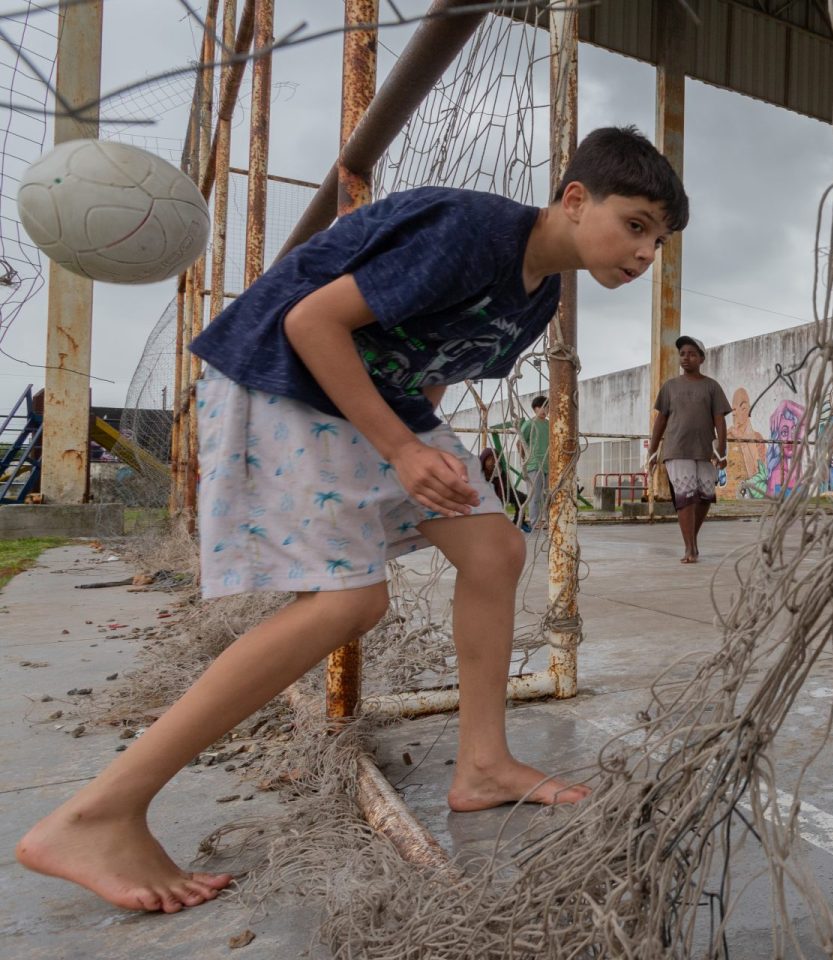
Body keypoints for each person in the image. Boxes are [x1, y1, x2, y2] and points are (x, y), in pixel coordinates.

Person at [15, 125, 690, 915]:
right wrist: (401, 451)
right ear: (575, 199)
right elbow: (309, 323)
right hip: (283, 379)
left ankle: (482, 765)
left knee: (494, 549)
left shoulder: (539, 295)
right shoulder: (474, 232)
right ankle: (99, 812)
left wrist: (424, 450)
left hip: (375, 403)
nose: (644, 253)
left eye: (658, 241)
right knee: (348, 602)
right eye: (635, 225)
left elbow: (432, 370)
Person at [647, 335, 729, 562]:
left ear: (701, 359)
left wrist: (721, 451)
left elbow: (720, 421)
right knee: (685, 497)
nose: (686, 358)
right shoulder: (670, 387)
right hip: (676, 449)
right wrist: (652, 451)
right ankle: (689, 548)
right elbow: (660, 420)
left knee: (705, 497)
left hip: (705, 450)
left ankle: (692, 539)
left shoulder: (712, 387)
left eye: (692, 354)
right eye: (682, 354)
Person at [517, 395, 550, 530]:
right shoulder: (529, 424)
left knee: (548, 495)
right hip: (534, 465)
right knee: (534, 495)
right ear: (535, 409)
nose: (545, 410)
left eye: (547, 407)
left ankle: (548, 520)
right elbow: (520, 442)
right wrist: (525, 459)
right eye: (542, 407)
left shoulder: (549, 424)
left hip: (548, 465)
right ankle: (535, 521)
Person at [479, 446, 518, 524]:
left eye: (494, 459)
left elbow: (502, 488)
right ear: (484, 460)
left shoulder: (498, 472)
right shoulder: (478, 473)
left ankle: (518, 522)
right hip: (483, 499)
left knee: (521, 498)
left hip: (499, 495)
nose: (492, 462)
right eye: (489, 459)